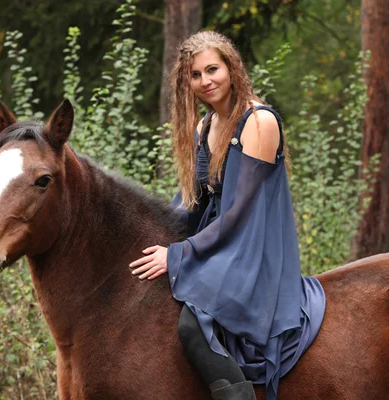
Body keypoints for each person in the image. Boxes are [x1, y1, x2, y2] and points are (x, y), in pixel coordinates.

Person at [129, 31, 325, 400]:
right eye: (195, 75)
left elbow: (237, 215)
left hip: (252, 248)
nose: (206, 81)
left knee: (191, 326)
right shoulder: (206, 126)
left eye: (212, 69)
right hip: (220, 243)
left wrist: (178, 255)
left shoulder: (258, 122)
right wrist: (147, 235)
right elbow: (193, 205)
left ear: (231, 68)